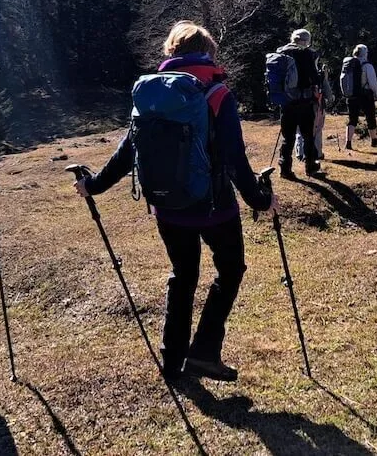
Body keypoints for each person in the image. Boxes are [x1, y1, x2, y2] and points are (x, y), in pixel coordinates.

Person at [70, 21, 274, 383]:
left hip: (167, 207)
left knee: (183, 276)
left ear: (170, 53)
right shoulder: (217, 93)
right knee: (230, 270)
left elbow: (126, 150)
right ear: (208, 53)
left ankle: (172, 360)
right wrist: (259, 199)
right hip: (214, 206)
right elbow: (233, 157)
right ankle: (205, 353)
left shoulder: (149, 96)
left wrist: (95, 185)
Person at [275, 29, 322, 179]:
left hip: (287, 102)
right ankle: (311, 166)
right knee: (308, 135)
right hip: (304, 101)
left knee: (287, 137)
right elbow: (314, 78)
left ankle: (285, 169)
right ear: (306, 40)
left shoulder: (281, 53)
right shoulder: (307, 54)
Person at [343, 44, 377, 149]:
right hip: (365, 95)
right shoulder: (367, 65)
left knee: (352, 119)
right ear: (365, 53)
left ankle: (348, 142)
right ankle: (374, 140)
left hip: (351, 95)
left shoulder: (348, 64)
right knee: (370, 117)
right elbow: (373, 82)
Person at [297, 59, 334, 163]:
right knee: (316, 130)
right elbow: (329, 95)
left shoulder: (294, 72)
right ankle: (317, 153)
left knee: (299, 130)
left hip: (296, 104)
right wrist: (325, 78)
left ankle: (299, 153)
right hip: (316, 106)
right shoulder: (317, 75)